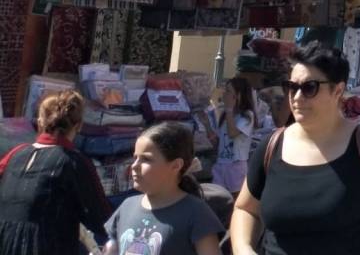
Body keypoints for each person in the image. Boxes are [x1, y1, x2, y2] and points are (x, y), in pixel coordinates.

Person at [230, 41, 360, 255]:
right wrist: (243, 249)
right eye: (291, 87)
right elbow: (245, 209)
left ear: (338, 90)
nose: (296, 97)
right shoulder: (272, 147)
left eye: (309, 88)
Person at [0, 90, 111, 254]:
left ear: (39, 123)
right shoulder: (73, 162)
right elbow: (102, 219)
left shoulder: (15, 154)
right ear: (79, 125)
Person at [105, 122, 223, 254]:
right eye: (135, 158)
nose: (134, 166)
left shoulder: (197, 213)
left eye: (146, 159)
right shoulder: (126, 207)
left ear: (176, 165)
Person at [209, 77, 256, 194]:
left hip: (236, 165)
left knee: (235, 198)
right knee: (218, 197)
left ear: (238, 95)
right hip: (221, 164)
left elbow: (232, 133)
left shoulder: (247, 116)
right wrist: (206, 125)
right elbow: (219, 142)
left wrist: (229, 108)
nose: (225, 94)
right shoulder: (225, 115)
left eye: (229, 91)